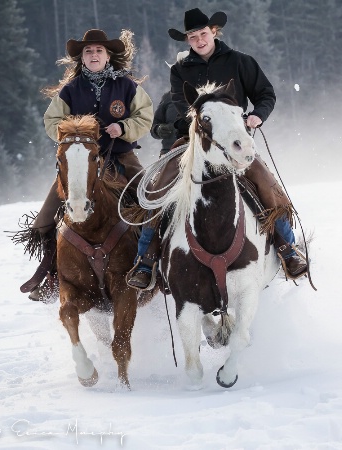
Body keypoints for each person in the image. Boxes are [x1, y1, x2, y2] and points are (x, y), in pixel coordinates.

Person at [127, 8, 307, 290]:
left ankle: (288, 249)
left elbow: (265, 93)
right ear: (187, 40)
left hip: (235, 141)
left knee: (266, 184)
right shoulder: (180, 70)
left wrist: (257, 114)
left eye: (203, 34)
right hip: (192, 143)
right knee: (157, 189)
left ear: (214, 32)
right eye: (192, 36)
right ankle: (146, 260)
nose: (199, 40)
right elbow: (180, 105)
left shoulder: (240, 61)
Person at [22, 28, 153, 301]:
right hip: (80, 164)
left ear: (108, 56)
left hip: (121, 157)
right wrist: (73, 134)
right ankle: (51, 275)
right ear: (81, 58)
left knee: (152, 201)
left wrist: (125, 127)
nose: (94, 55)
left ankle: (153, 265)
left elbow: (145, 116)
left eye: (99, 51)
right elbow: (51, 122)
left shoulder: (127, 86)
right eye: (88, 51)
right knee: (44, 219)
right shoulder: (71, 90)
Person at [150, 91, 178, 157]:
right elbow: (154, 124)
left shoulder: (203, 95)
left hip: (198, 151)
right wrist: (157, 129)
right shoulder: (168, 96)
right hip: (169, 151)